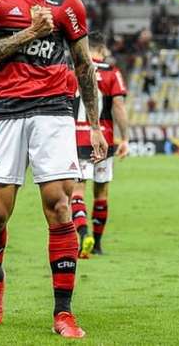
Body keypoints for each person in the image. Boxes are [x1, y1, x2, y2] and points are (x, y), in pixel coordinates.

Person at [0, 0, 107, 338]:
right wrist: (30, 31)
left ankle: (62, 312)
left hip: (54, 112)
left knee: (60, 205)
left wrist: (95, 125)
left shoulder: (67, 1)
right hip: (5, 111)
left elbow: (83, 65)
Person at [68, 33, 129, 258]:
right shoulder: (112, 73)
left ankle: (83, 234)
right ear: (102, 50)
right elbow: (119, 107)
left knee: (77, 191)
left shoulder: (73, 69)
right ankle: (98, 244)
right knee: (101, 191)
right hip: (104, 139)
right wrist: (126, 138)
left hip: (76, 139)